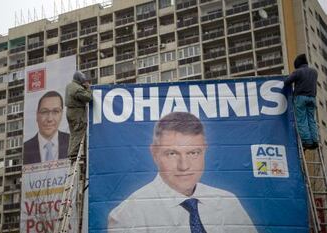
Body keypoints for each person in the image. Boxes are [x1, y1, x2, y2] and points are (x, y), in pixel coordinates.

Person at [108, 112, 257, 233]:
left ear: (204, 150)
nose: (184, 166)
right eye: (172, 153)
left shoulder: (227, 201)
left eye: (193, 153)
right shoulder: (127, 215)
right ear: (154, 153)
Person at [23, 91, 69, 165]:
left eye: (55, 111)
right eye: (44, 112)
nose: (50, 119)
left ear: (61, 114)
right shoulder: (25, 148)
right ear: (37, 115)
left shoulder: (72, 143)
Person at [284, 54, 319, 149]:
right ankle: (315, 140)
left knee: (302, 120)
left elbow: (287, 81)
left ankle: (307, 141)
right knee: (311, 120)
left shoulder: (298, 72)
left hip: (300, 98)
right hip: (312, 98)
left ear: (298, 64)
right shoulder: (314, 72)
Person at [65, 71, 93, 161]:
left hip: (70, 112)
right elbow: (88, 97)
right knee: (79, 132)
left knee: (73, 133)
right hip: (77, 113)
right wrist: (88, 88)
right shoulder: (77, 88)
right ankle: (73, 154)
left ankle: (71, 153)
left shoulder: (70, 85)